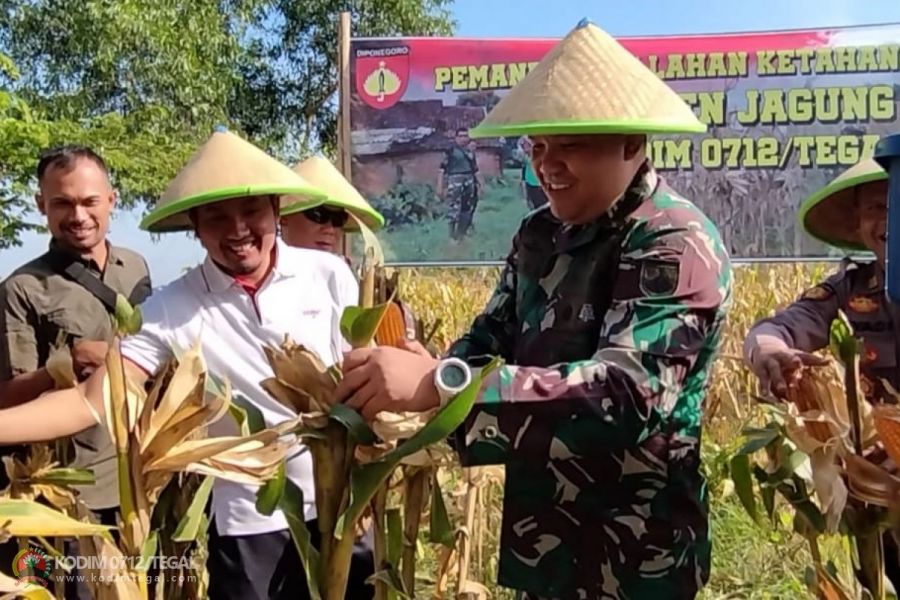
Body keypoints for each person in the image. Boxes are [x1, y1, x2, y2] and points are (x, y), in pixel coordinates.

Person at [333, 19, 732, 600]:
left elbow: (626, 396)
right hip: (543, 548)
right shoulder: (539, 235)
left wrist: (442, 386)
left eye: (570, 145)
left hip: (636, 559)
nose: (548, 165)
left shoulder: (673, 242)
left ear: (632, 143)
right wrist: (428, 369)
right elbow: (488, 337)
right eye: (538, 147)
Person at [0, 130, 375, 600]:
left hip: (345, 509)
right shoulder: (170, 308)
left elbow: (367, 378)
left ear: (277, 212)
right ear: (194, 225)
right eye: (216, 217)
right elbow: (89, 400)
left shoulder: (330, 276)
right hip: (249, 522)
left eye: (251, 212)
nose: (237, 229)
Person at [0, 145, 152, 599]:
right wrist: (62, 366)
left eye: (89, 201)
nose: (78, 215)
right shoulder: (22, 289)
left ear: (112, 200)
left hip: (138, 485)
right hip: (65, 496)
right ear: (41, 205)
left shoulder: (137, 270)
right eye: (62, 203)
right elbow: (7, 398)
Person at [742, 156, 898, 587]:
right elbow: (773, 330)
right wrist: (772, 354)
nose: (891, 219)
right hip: (878, 493)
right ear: (858, 224)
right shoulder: (847, 290)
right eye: (878, 208)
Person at [281, 156, 419, 343]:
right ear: (284, 217)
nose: (329, 229)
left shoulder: (340, 277)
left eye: (338, 220)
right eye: (318, 215)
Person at [437, 127, 481, 241]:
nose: (463, 139)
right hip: (455, 179)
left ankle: (462, 233)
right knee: (454, 208)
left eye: (465, 136)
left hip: (469, 180)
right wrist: (440, 186)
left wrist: (481, 184)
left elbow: (475, 169)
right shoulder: (451, 150)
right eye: (460, 136)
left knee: (467, 208)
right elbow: (442, 169)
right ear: (456, 138)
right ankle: (452, 235)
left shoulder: (470, 151)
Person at [518, 136, 549, 211]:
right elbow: (523, 177)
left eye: (527, 145)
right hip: (531, 184)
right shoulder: (524, 158)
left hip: (540, 184)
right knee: (535, 206)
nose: (525, 147)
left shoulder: (540, 156)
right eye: (523, 146)